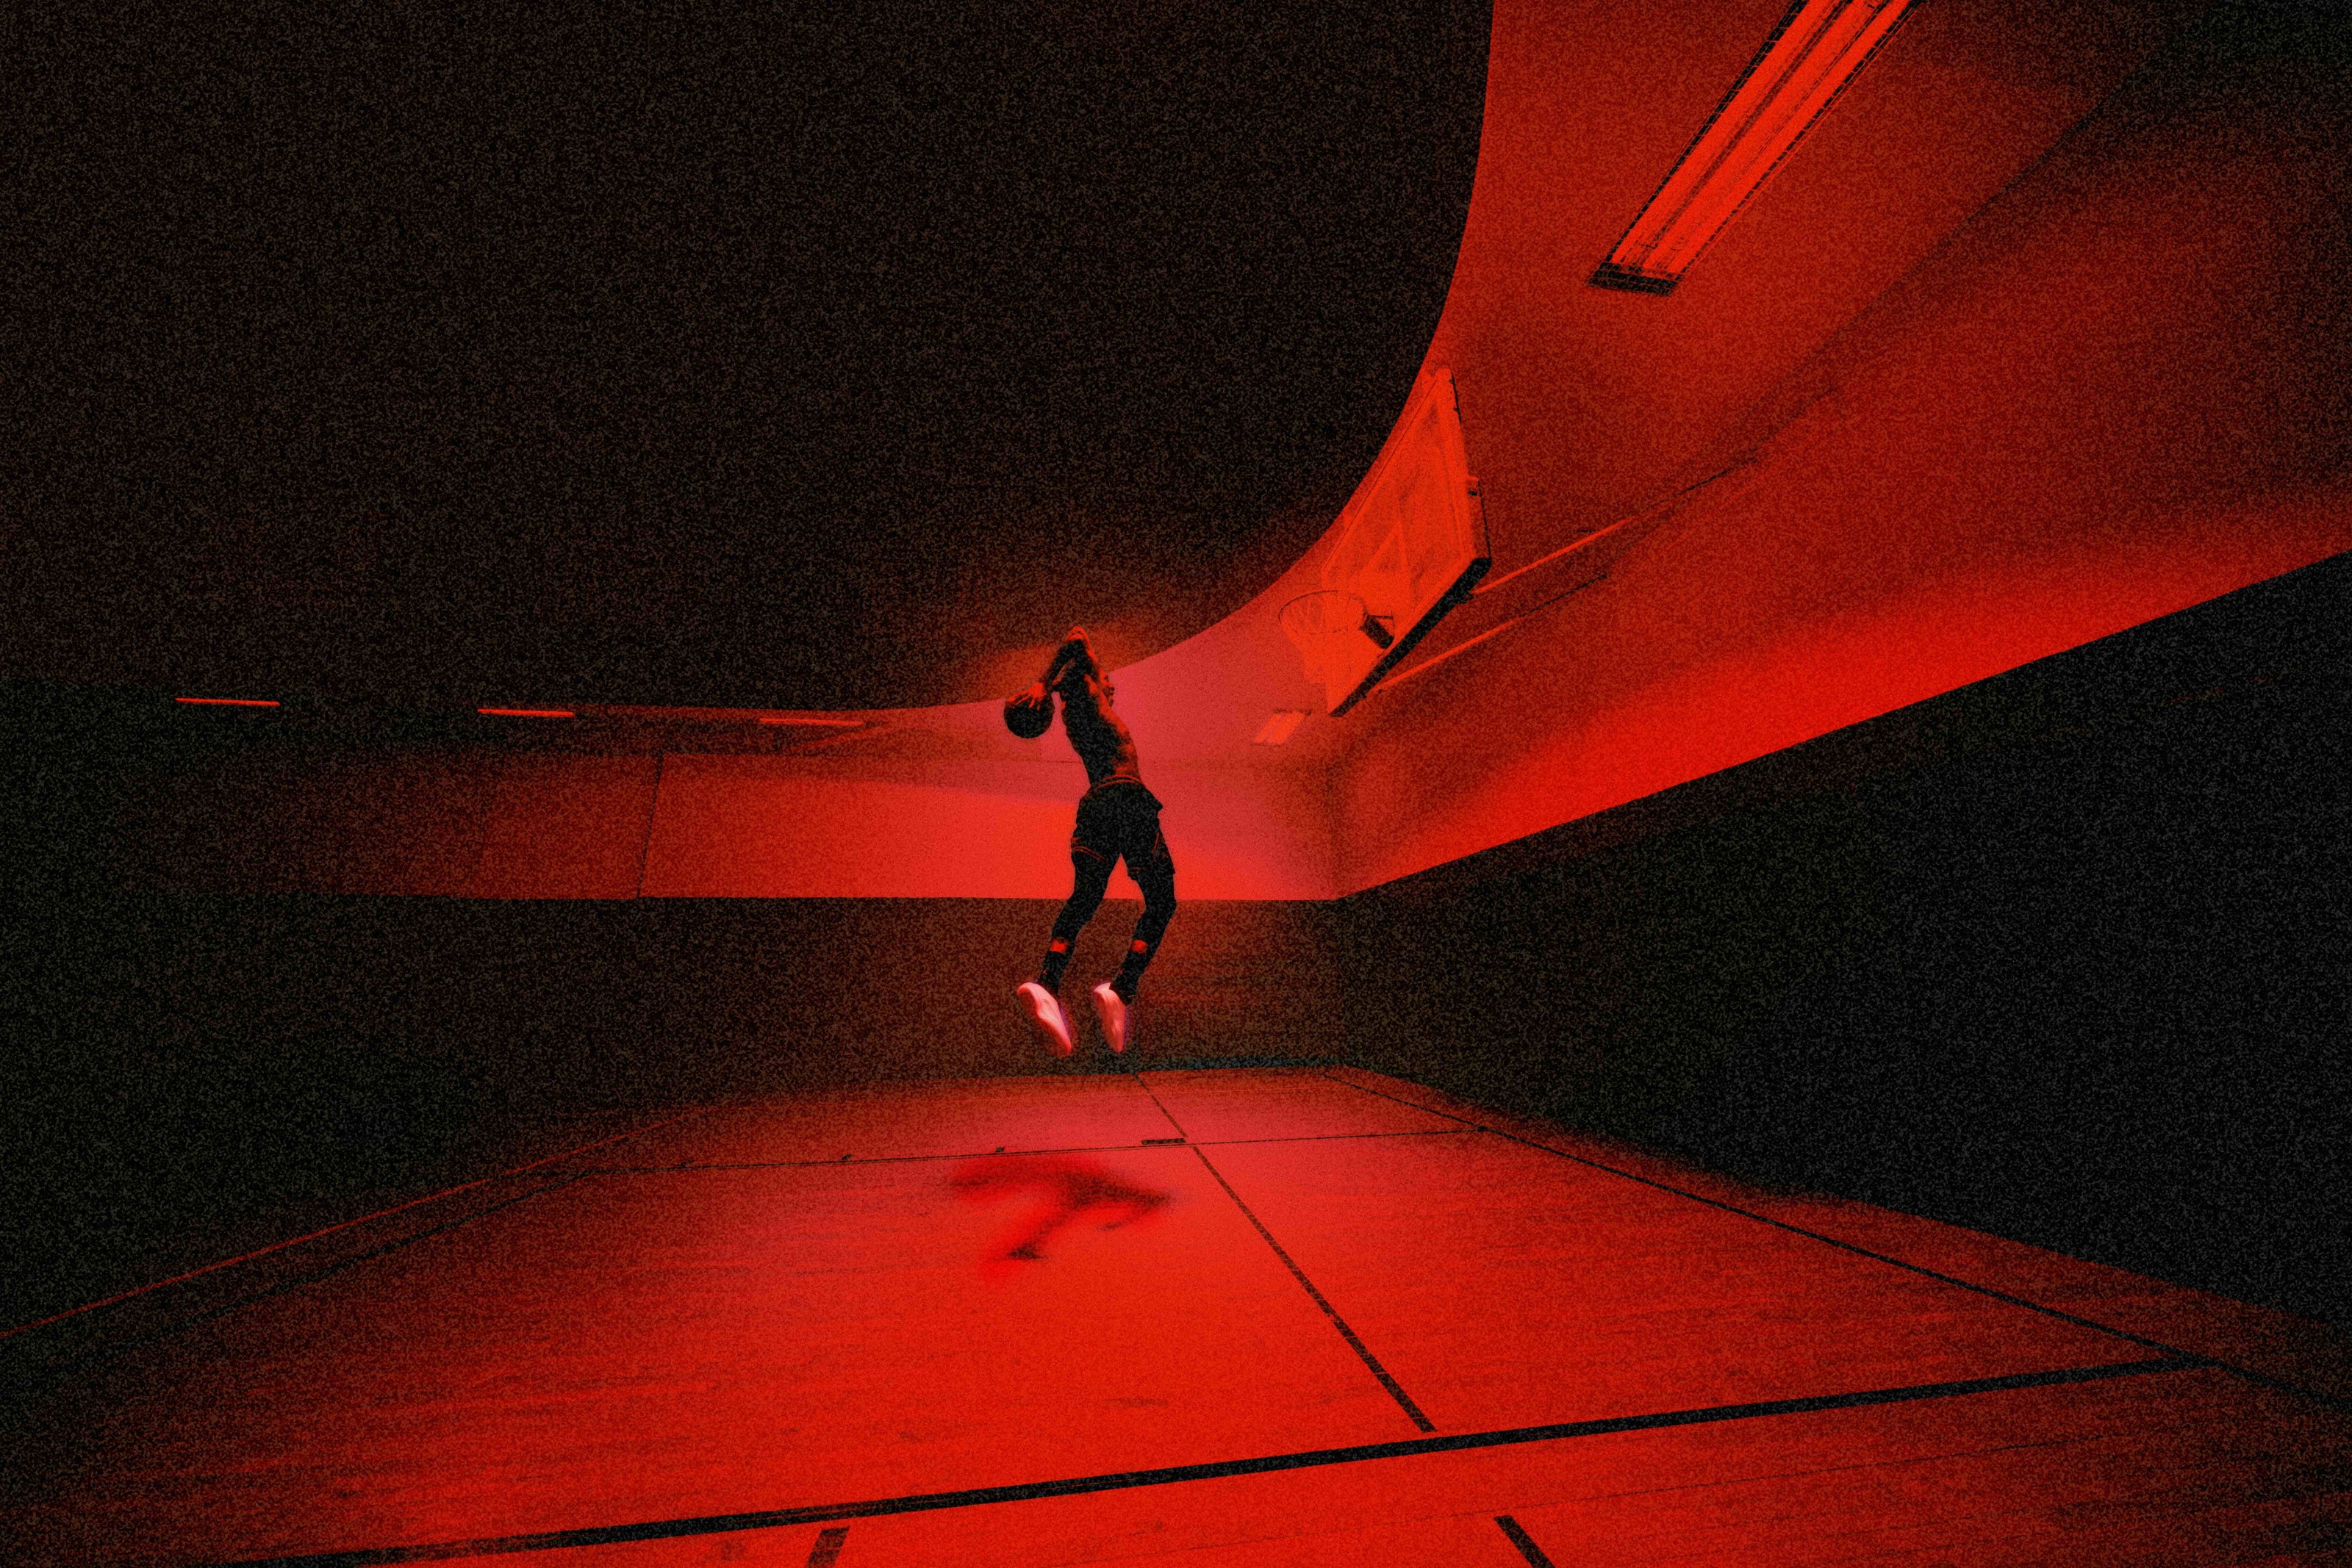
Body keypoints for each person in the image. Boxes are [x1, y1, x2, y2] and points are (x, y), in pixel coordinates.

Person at [1005, 628, 1177, 1055]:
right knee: (1161, 902)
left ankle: (1048, 981)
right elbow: (1077, 637)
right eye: (1106, 677)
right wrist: (1043, 682)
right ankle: (1123, 988)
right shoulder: (1086, 694)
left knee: (1085, 898)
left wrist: (1053, 687)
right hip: (1127, 797)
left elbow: (1077, 663)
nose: (1112, 683)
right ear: (1089, 680)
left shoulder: (1075, 715)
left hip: (1096, 805)